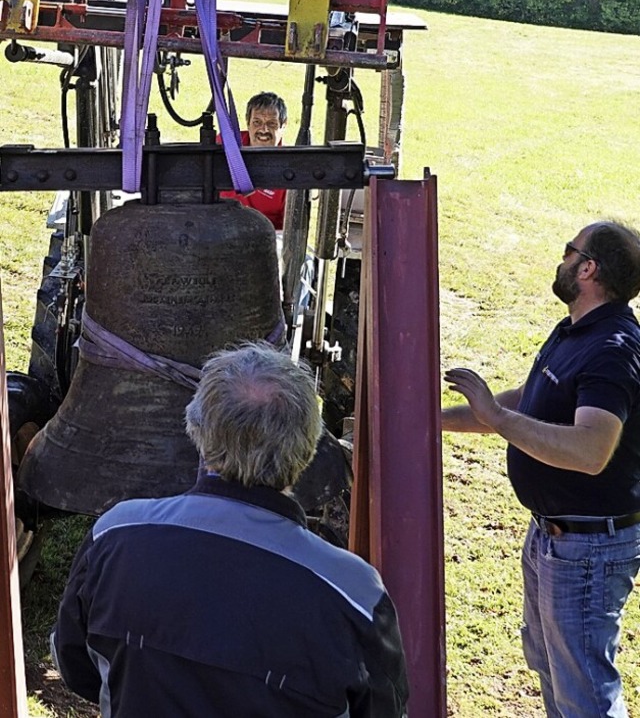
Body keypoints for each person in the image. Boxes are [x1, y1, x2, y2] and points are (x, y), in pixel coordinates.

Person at [51, 341, 409, 717]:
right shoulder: (354, 594)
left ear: (197, 430)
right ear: (307, 448)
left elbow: (77, 668)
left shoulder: (114, 536)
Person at [442, 220, 640, 718]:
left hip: (587, 549)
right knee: (551, 668)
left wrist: (498, 417)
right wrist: (437, 420)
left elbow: (590, 451)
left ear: (588, 268)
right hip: (552, 537)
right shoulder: (575, 328)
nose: (562, 260)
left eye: (568, 252)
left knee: (585, 694)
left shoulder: (614, 351)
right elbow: (532, 401)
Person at [219, 91, 288, 229]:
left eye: (272, 124)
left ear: (283, 126)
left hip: (265, 241)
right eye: (257, 122)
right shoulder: (225, 143)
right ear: (248, 122)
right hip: (220, 230)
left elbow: (290, 229)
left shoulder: (290, 169)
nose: (264, 129)